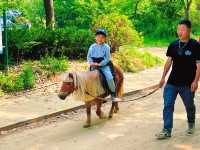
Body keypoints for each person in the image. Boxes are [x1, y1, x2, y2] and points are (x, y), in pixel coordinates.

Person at [156, 20, 200, 140]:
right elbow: (169, 62)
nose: (180, 32)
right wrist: (162, 78)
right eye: (178, 29)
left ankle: (191, 123)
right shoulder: (173, 45)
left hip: (187, 84)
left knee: (189, 106)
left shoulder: (195, 45)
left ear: (189, 30)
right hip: (172, 82)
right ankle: (167, 130)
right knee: (168, 105)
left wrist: (196, 81)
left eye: (183, 29)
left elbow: (198, 65)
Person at [87, 29, 121, 103]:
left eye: (102, 37)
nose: (100, 38)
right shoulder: (92, 47)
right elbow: (88, 56)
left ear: (105, 39)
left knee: (109, 77)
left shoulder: (106, 47)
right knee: (87, 78)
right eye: (98, 36)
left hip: (103, 65)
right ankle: (88, 93)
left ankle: (113, 95)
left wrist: (100, 64)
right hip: (93, 65)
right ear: (95, 38)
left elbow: (107, 58)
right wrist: (91, 63)